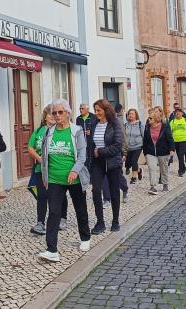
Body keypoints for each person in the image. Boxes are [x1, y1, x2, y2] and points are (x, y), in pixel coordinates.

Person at [37, 99, 92, 262]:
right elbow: (45, 156)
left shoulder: (76, 131)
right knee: (53, 212)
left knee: (80, 209)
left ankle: (85, 238)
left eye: (60, 112)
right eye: (54, 112)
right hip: (54, 179)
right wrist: (45, 176)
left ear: (68, 113)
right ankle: (52, 249)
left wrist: (75, 170)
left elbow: (83, 155)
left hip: (74, 179)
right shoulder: (49, 132)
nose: (57, 115)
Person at [28, 106, 67, 235]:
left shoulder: (59, 131)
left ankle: (62, 218)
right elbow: (30, 148)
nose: (54, 116)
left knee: (58, 195)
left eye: (55, 114)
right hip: (41, 170)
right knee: (42, 196)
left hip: (56, 170)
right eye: (51, 115)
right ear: (45, 117)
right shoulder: (38, 131)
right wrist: (40, 159)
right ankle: (40, 223)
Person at [87, 99, 124, 234]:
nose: (96, 113)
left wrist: (101, 151)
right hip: (98, 162)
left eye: (99, 110)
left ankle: (115, 221)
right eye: (95, 110)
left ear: (106, 110)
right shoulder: (93, 123)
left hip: (112, 162)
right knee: (96, 191)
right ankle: (100, 222)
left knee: (114, 192)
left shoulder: (115, 124)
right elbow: (90, 144)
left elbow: (118, 145)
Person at [142, 107, 175, 193]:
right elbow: (145, 140)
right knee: (152, 168)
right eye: (149, 117)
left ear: (156, 118)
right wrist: (145, 152)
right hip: (150, 151)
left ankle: (165, 184)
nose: (148, 119)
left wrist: (172, 149)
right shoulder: (147, 127)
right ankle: (153, 186)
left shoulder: (165, 126)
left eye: (150, 118)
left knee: (163, 168)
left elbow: (170, 138)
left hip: (163, 151)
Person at [169, 108, 186, 177]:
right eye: (176, 112)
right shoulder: (173, 121)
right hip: (175, 141)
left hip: (184, 140)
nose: (178, 113)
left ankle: (180, 171)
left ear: (182, 113)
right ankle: (184, 167)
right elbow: (168, 131)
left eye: (179, 112)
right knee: (179, 156)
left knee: (181, 154)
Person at [123, 109, 145, 186]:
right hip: (128, 147)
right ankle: (139, 171)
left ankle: (134, 177)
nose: (130, 115)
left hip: (138, 146)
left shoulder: (140, 124)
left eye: (132, 114)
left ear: (136, 115)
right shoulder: (126, 125)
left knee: (133, 161)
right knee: (129, 163)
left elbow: (144, 135)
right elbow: (124, 136)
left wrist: (145, 146)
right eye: (129, 114)